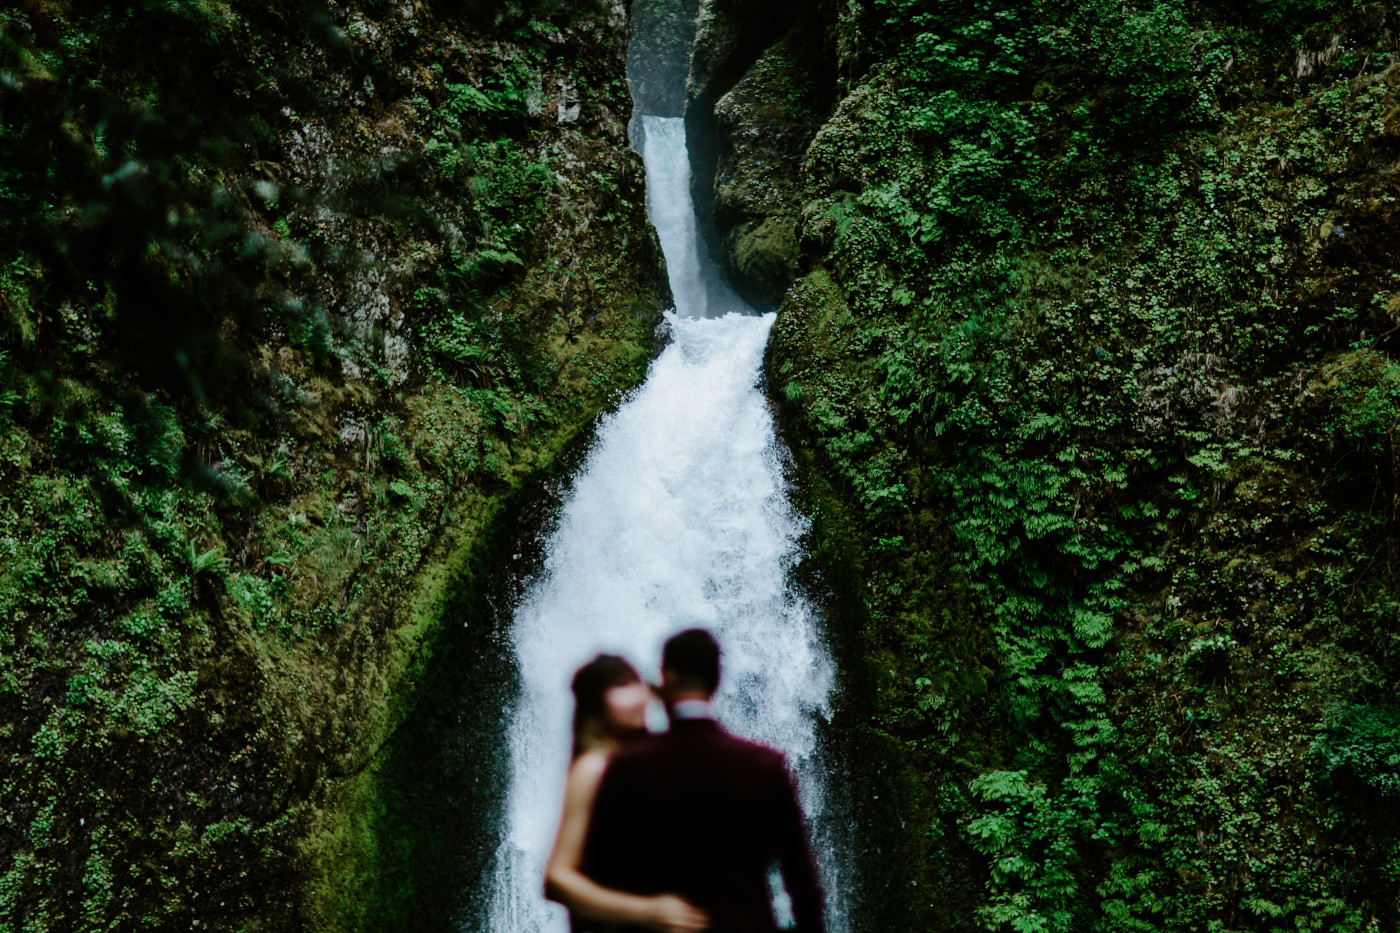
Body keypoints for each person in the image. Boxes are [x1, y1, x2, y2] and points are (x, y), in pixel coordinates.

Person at [580, 629, 826, 933]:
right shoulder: (764, 765)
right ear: (717, 681)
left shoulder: (628, 766)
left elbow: (600, 872)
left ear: (666, 677)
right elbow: (801, 880)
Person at [545, 654, 711, 933]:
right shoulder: (594, 767)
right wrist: (647, 912)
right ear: (595, 704)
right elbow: (557, 878)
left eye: (637, 683)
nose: (638, 695)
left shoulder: (652, 761)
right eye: (621, 686)